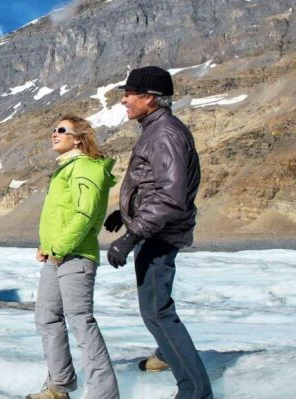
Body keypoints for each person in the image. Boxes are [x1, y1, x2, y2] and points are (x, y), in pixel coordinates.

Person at [104, 66, 213, 398]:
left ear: (149, 98)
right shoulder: (155, 129)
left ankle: (195, 391)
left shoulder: (164, 134)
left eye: (130, 94)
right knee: (157, 307)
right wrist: (124, 212)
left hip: (159, 235)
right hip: (154, 230)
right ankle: (167, 355)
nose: (124, 99)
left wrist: (131, 234)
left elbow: (170, 195)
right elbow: (154, 186)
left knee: (157, 311)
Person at [27, 115, 119, 399]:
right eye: (53, 129)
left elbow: (85, 214)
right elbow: (61, 214)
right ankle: (60, 385)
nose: (54, 134)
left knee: (80, 320)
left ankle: (104, 394)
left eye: (62, 130)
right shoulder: (66, 168)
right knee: (46, 317)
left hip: (76, 256)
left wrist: (60, 247)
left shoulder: (86, 167)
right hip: (57, 256)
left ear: (78, 138)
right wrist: (48, 245)